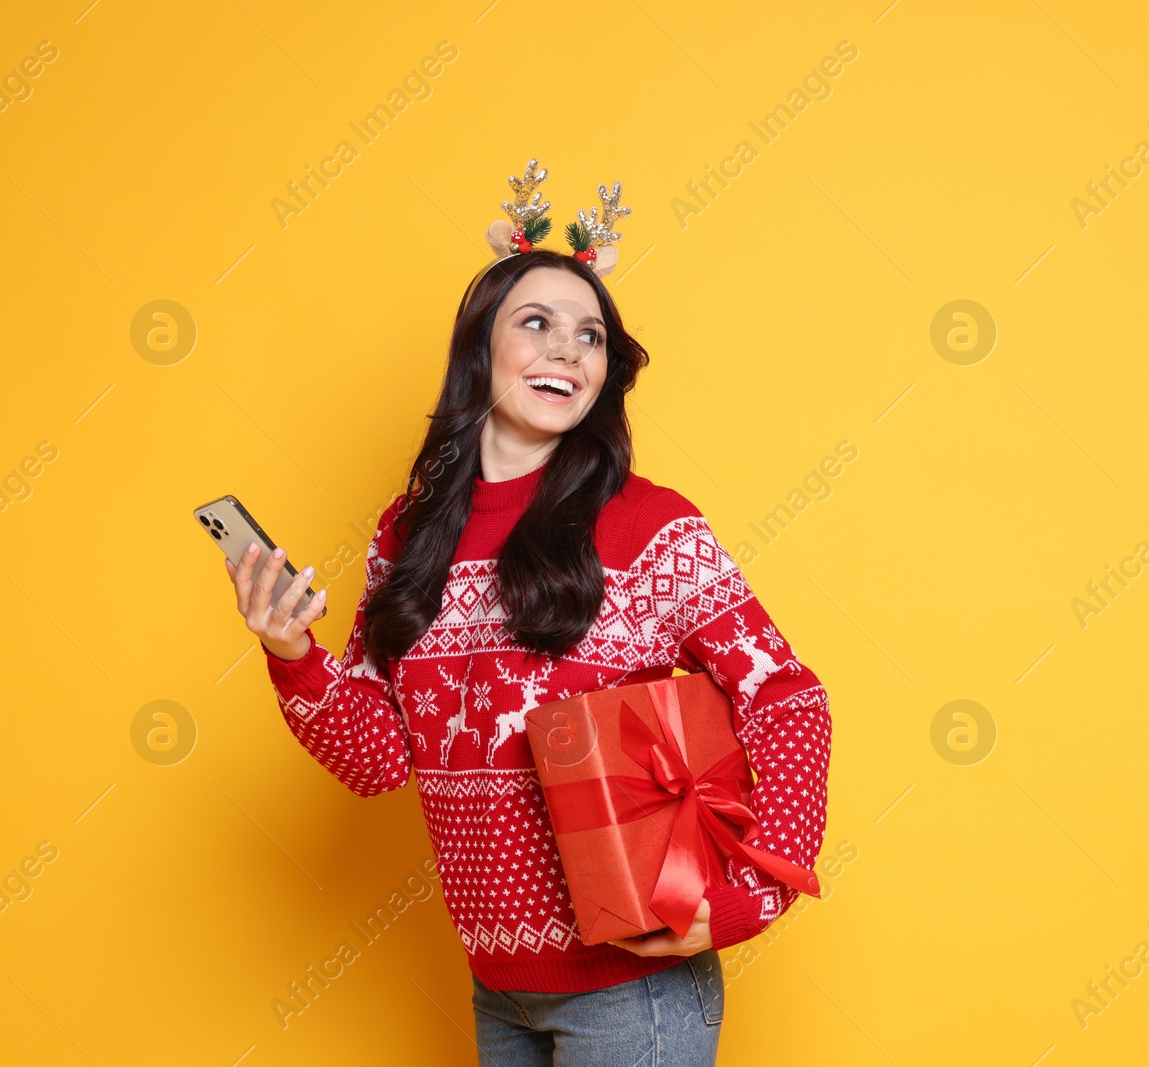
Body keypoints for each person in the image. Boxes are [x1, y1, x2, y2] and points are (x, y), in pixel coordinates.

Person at [223, 217, 832, 1065]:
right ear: (481, 347)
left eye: (590, 336)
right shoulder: (409, 536)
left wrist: (752, 894)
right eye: (537, 323)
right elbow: (377, 761)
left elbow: (787, 696)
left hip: (632, 990)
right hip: (497, 986)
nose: (569, 353)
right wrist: (293, 654)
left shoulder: (649, 526)